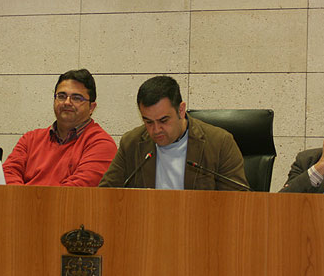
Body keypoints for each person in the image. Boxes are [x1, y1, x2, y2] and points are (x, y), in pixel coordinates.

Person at [99, 76, 248, 190]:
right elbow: (105, 194)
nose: (156, 130)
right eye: (148, 122)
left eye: (163, 120)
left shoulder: (220, 143)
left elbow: (238, 200)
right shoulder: (131, 143)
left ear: (181, 110)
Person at [2, 69, 116, 186]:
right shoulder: (30, 139)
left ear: (91, 107)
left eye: (76, 98)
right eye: (61, 96)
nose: (67, 102)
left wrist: (24, 195)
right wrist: (19, 195)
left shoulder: (102, 145)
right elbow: (7, 173)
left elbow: (75, 191)